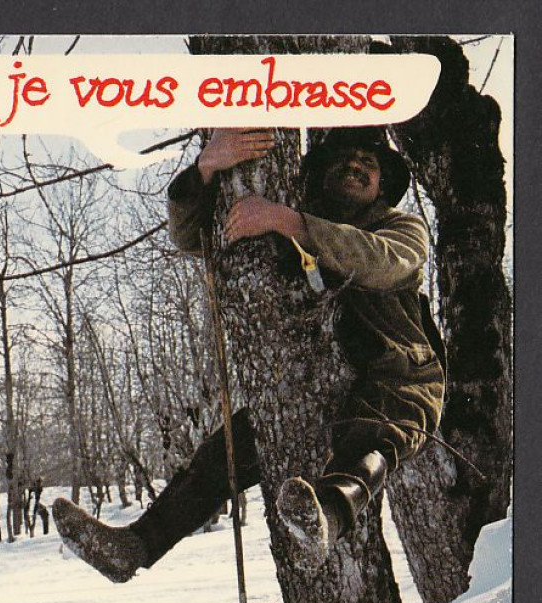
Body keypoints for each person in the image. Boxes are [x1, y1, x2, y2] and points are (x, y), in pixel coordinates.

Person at [53, 126, 445, 579]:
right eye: (343, 159)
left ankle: (330, 515)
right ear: (322, 174)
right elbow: (192, 237)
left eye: (369, 163)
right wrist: (204, 169)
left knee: (375, 434)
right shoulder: (295, 214)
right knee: (224, 454)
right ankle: (136, 546)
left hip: (400, 377)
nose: (355, 166)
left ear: (383, 184)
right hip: (314, 381)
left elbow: (380, 262)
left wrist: (287, 221)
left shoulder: (400, 226)